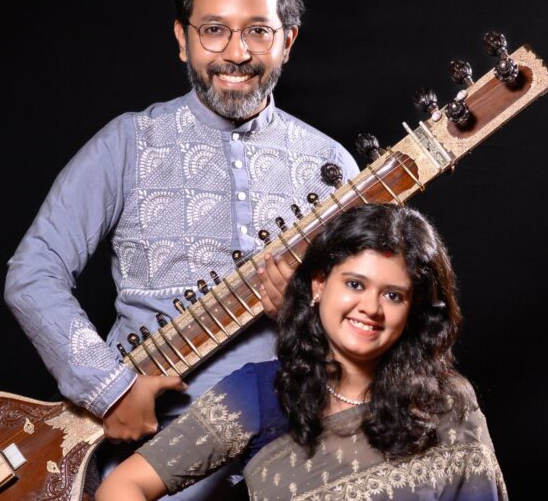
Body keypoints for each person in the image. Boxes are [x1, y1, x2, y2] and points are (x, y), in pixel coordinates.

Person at [3, 0, 358, 498]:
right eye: (214, 30)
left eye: (258, 31)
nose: (236, 54)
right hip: (153, 449)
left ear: (287, 40)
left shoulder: (330, 164)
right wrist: (109, 390)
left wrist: (304, 311)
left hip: (299, 438)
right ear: (182, 39)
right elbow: (33, 272)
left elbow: (373, 314)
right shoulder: (129, 144)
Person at [95, 204, 508, 500]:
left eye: (393, 295)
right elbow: (122, 486)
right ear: (318, 285)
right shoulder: (259, 393)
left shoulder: (446, 401)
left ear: (414, 309)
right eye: (354, 284)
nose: (371, 308)